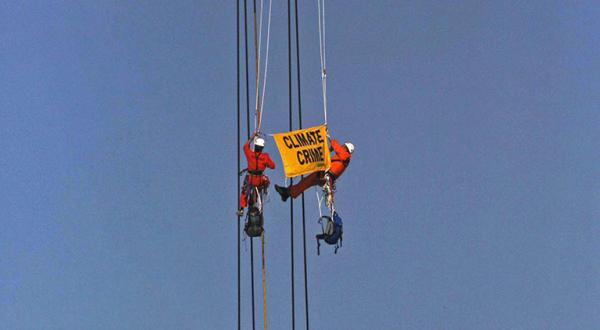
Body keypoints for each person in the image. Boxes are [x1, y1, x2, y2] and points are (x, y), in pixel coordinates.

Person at [274, 137, 353, 201]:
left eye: (343, 146)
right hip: (324, 174)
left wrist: (332, 140)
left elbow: (339, 150)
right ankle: (288, 193)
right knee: (305, 181)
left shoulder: (346, 156)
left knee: (307, 180)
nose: (341, 146)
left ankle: (287, 192)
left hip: (326, 176)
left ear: (346, 148)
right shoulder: (342, 158)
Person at [238, 132, 276, 216]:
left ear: (255, 146)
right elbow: (273, 166)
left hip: (250, 179)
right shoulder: (265, 157)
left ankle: (241, 208)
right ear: (262, 148)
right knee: (266, 182)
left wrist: (252, 136)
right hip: (259, 180)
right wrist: (266, 164)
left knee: (244, 191)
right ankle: (261, 194)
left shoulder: (250, 154)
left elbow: (245, 146)